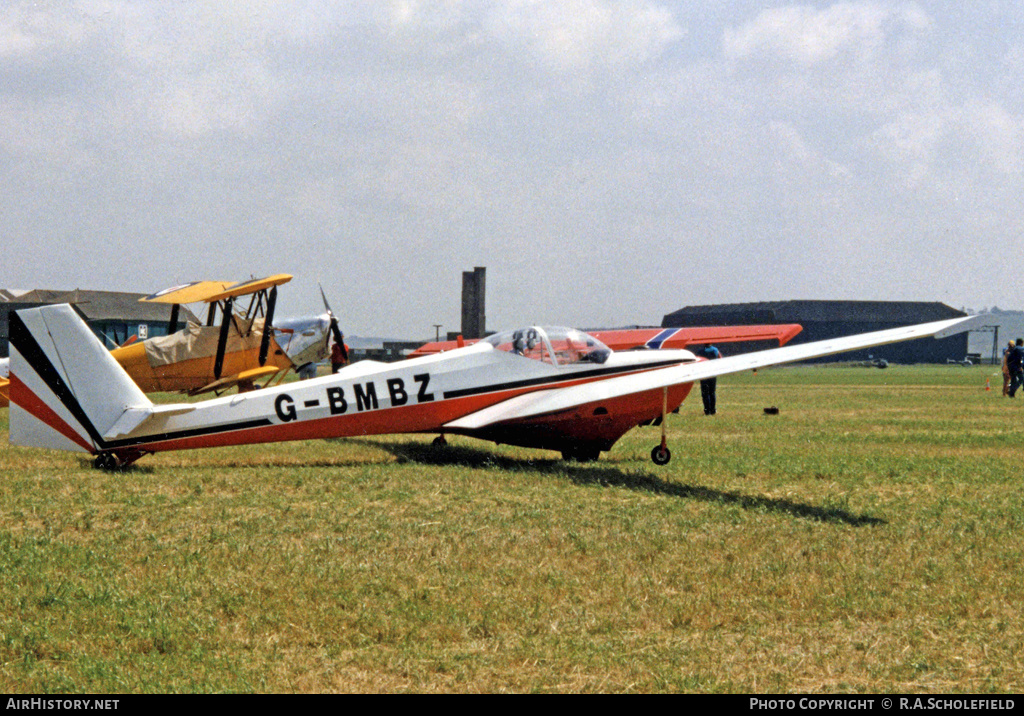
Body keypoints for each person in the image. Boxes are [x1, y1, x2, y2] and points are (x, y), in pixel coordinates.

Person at [697, 344, 721, 415]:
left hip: (703, 374)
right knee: (712, 392)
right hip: (712, 373)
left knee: (705, 393)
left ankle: (707, 410)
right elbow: (720, 359)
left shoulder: (700, 351)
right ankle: (713, 410)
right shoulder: (715, 350)